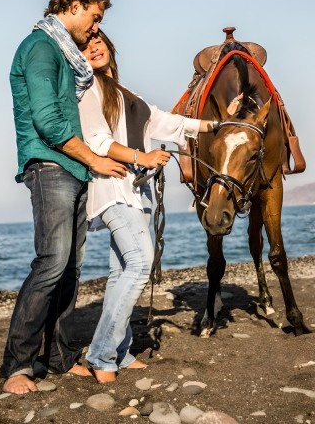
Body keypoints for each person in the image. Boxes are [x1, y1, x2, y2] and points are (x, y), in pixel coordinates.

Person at [3, 0, 128, 395]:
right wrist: (96, 160)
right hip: (50, 164)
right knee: (51, 263)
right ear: (75, 4)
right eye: (95, 18)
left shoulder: (65, 53)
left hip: (73, 168)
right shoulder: (40, 47)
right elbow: (48, 121)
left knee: (70, 269)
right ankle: (17, 366)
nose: (96, 29)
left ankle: (58, 358)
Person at [77, 30, 221, 383]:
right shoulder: (87, 91)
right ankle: (101, 355)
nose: (93, 47)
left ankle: (121, 352)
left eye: (98, 41)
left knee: (120, 271)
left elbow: (168, 123)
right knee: (141, 264)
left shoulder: (130, 96)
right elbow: (97, 140)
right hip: (112, 187)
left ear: (111, 46)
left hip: (137, 190)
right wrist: (143, 156)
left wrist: (213, 125)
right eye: (85, 45)